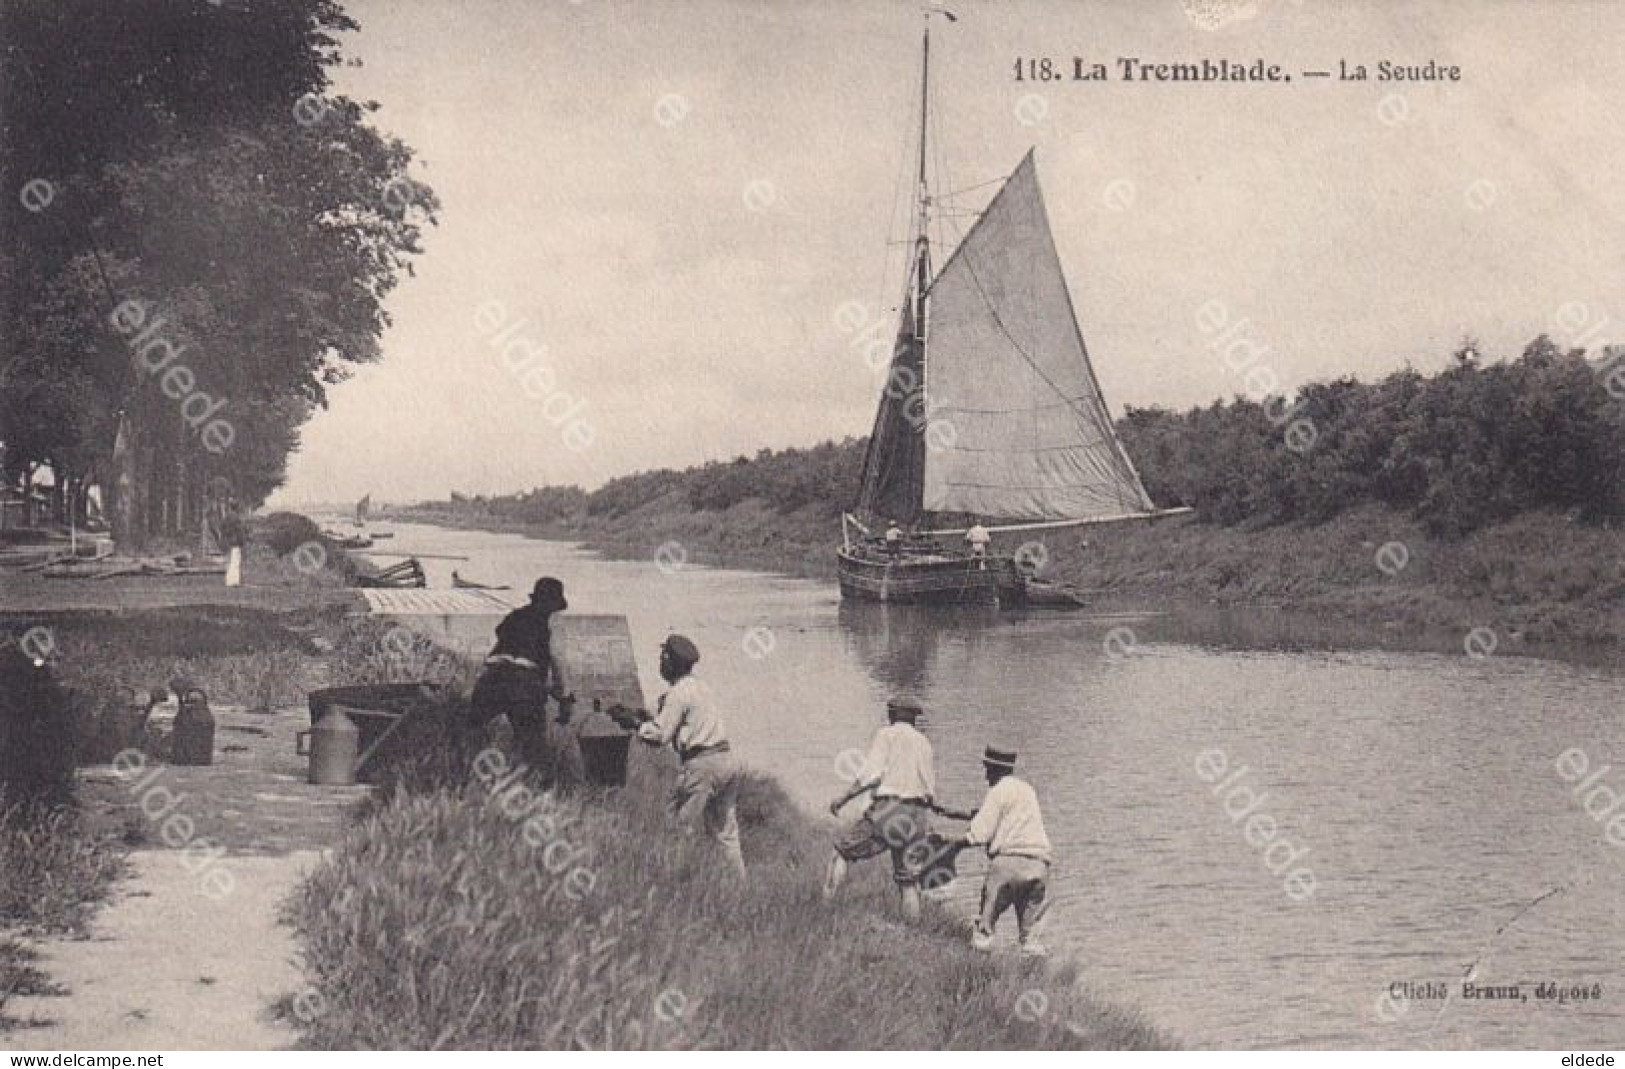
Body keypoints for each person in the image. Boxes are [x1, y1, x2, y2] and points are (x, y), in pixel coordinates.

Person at [636, 634, 746, 876]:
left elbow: (661, 736)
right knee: (725, 833)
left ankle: (675, 879)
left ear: (670, 662)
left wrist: (639, 727)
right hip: (727, 760)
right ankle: (739, 887)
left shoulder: (678, 693)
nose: (660, 663)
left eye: (663, 658)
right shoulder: (701, 686)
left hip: (702, 764)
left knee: (677, 824)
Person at [824, 698, 937, 920]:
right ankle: (912, 933)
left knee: (841, 851)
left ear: (893, 714)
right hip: (917, 814)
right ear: (914, 718)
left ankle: (825, 910)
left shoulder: (886, 735)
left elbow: (870, 775)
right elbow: (930, 789)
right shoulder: (924, 742)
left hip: (890, 810)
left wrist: (843, 798)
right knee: (908, 881)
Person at [946, 745, 1053, 956]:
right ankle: (1033, 978)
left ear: (995, 769)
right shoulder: (1027, 790)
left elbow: (978, 834)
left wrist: (952, 845)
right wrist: (956, 814)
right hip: (1039, 865)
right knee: (1030, 938)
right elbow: (1006, 818)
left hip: (1007, 866)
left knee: (984, 931)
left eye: (987, 769)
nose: (986, 776)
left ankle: (979, 975)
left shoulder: (997, 791)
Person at [468, 577, 569, 779]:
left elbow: (501, 644)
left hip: (491, 678)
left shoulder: (515, 616)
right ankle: (531, 787)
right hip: (524, 684)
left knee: (474, 736)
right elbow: (556, 657)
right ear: (553, 604)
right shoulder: (551, 621)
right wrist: (564, 695)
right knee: (532, 746)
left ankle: (473, 780)